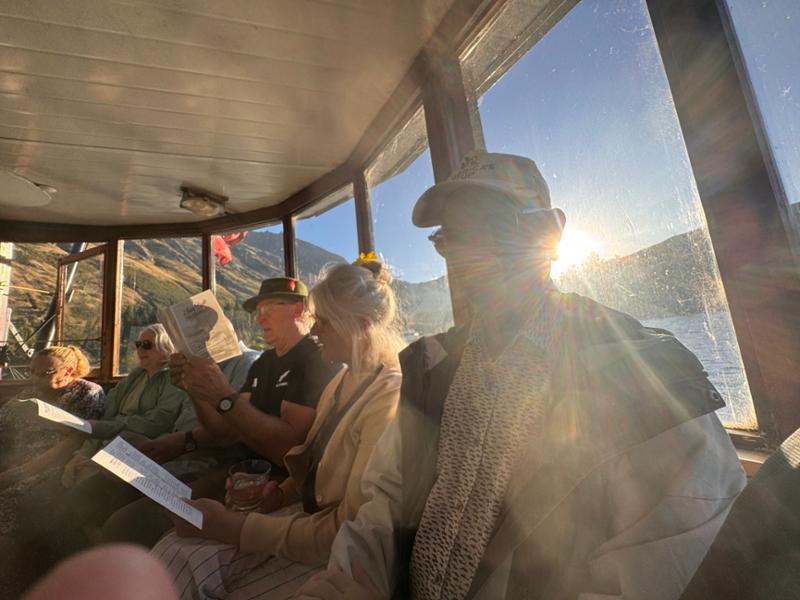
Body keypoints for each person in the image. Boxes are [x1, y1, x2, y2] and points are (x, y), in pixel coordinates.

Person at [296, 151, 747, 600]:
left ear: (549, 234)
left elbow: (670, 570)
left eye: (491, 224)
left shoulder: (646, 382)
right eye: (452, 237)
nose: (467, 253)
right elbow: (382, 507)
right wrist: (346, 582)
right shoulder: (433, 372)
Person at [151, 261, 404, 600]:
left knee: (183, 561)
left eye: (324, 321)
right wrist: (280, 494)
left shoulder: (386, 396)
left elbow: (351, 529)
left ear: (360, 327)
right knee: (176, 549)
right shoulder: (344, 378)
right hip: (299, 509)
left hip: (336, 552)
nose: (314, 330)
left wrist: (232, 526)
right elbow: (310, 461)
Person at [95, 278, 341, 549]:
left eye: (268, 308)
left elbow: (288, 449)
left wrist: (223, 397)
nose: (259, 319)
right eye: (257, 311)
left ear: (297, 309)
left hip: (272, 481)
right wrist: (193, 390)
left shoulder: (314, 360)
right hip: (233, 468)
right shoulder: (265, 362)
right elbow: (225, 430)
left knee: (128, 525)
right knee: (109, 493)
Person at [8, 324, 187, 586]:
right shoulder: (133, 379)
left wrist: (97, 437)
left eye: (147, 345)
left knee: (60, 503)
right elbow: (103, 419)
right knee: (44, 502)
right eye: (138, 344)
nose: (140, 350)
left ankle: (86, 577)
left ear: (166, 348)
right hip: (101, 450)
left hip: (133, 453)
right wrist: (80, 456)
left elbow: (156, 423)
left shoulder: (172, 381)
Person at [0, 345, 105, 490]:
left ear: (68, 371)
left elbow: (75, 441)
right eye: (31, 372)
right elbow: (3, 420)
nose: (35, 379)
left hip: (52, 466)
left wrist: (17, 474)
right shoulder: (32, 392)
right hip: (14, 459)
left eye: (46, 373)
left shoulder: (88, 392)